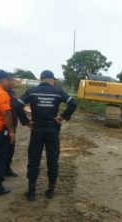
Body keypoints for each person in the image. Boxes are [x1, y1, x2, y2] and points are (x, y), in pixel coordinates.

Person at [17, 70, 77, 201]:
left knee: (33, 160)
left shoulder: (31, 91)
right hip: (52, 130)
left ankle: (31, 192)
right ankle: (51, 191)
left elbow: (17, 105)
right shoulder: (58, 91)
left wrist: (26, 122)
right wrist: (62, 117)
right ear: (50, 79)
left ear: (41, 79)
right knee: (53, 159)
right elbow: (73, 103)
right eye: (53, 79)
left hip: (37, 129)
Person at [4, 74, 25, 177]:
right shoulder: (2, 93)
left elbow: (17, 107)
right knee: (1, 150)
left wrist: (25, 120)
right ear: (7, 81)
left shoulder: (12, 92)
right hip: (4, 127)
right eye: (13, 80)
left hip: (12, 125)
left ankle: (7, 168)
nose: (15, 82)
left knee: (10, 148)